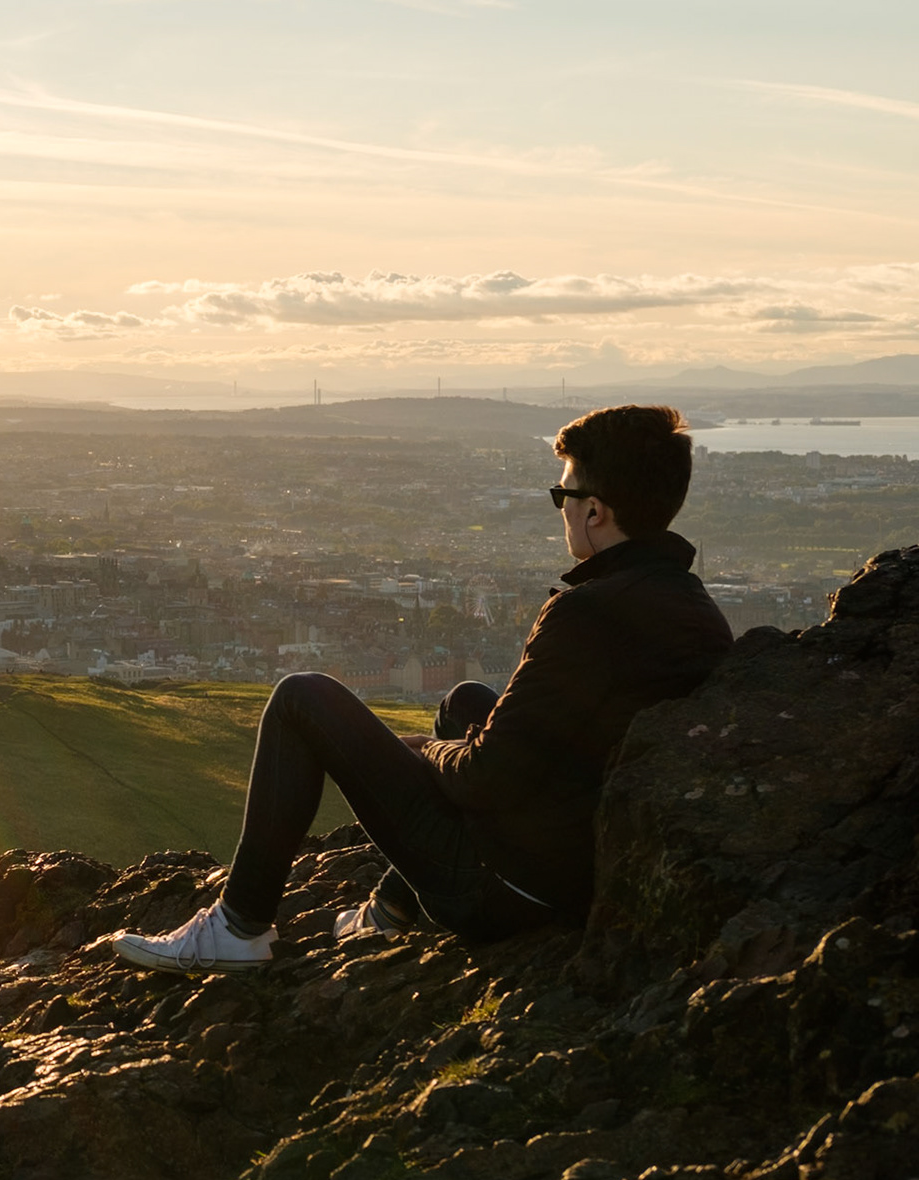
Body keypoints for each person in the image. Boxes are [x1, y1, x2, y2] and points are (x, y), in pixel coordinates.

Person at [112, 404, 734, 973]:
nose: (563, 509)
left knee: (303, 698)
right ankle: (388, 915)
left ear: (595, 510)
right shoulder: (695, 607)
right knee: (467, 701)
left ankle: (238, 926)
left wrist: (425, 751)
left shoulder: (587, 614)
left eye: (563, 494)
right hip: (579, 861)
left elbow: (485, 778)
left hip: (511, 890)